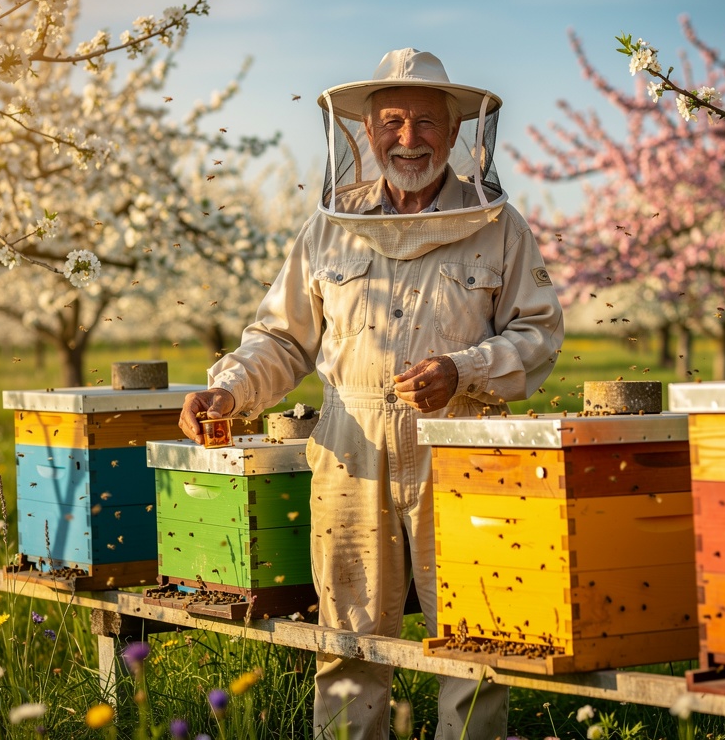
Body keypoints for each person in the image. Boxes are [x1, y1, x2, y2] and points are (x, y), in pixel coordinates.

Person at [178, 47, 564, 740]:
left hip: (461, 447)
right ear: (365, 131)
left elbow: (539, 335)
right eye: (392, 121)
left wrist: (465, 369)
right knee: (348, 635)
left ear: (455, 134)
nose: (408, 139)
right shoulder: (329, 227)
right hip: (349, 447)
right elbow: (282, 338)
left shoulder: (499, 226)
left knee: (478, 630)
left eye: (424, 122)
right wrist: (228, 391)